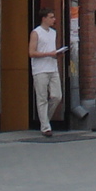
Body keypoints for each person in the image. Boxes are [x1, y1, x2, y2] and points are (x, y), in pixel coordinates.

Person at [28, 9, 69, 137]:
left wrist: (56, 54)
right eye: (51, 17)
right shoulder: (36, 33)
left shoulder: (53, 33)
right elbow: (31, 52)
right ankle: (45, 127)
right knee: (42, 98)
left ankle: (45, 119)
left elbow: (51, 50)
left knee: (57, 96)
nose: (54, 19)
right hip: (40, 69)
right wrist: (48, 54)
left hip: (52, 67)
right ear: (44, 18)